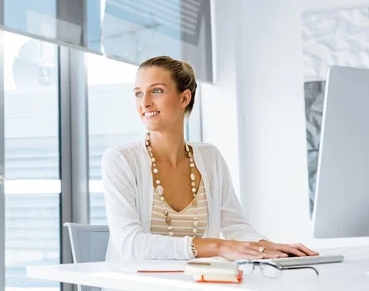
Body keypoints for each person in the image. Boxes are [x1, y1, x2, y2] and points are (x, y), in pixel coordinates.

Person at [101, 56, 318, 262]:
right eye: (138, 93)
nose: (145, 102)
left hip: (196, 283)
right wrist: (219, 247)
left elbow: (235, 226)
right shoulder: (120, 160)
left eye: (156, 91)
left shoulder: (209, 157)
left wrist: (268, 247)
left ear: (184, 98)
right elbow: (130, 244)